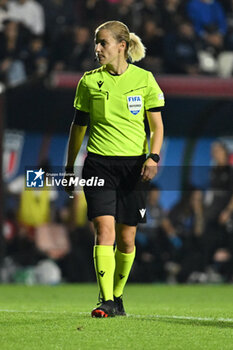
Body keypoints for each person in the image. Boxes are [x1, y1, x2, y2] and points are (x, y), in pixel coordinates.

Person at [64, 20, 164, 318]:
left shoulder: (145, 80)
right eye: (96, 43)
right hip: (98, 164)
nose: (97, 49)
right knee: (103, 229)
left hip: (134, 167)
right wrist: (70, 168)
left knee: (127, 238)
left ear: (122, 46)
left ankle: (117, 298)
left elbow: (157, 127)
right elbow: (78, 128)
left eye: (102, 43)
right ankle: (105, 299)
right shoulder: (89, 82)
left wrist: (153, 157)